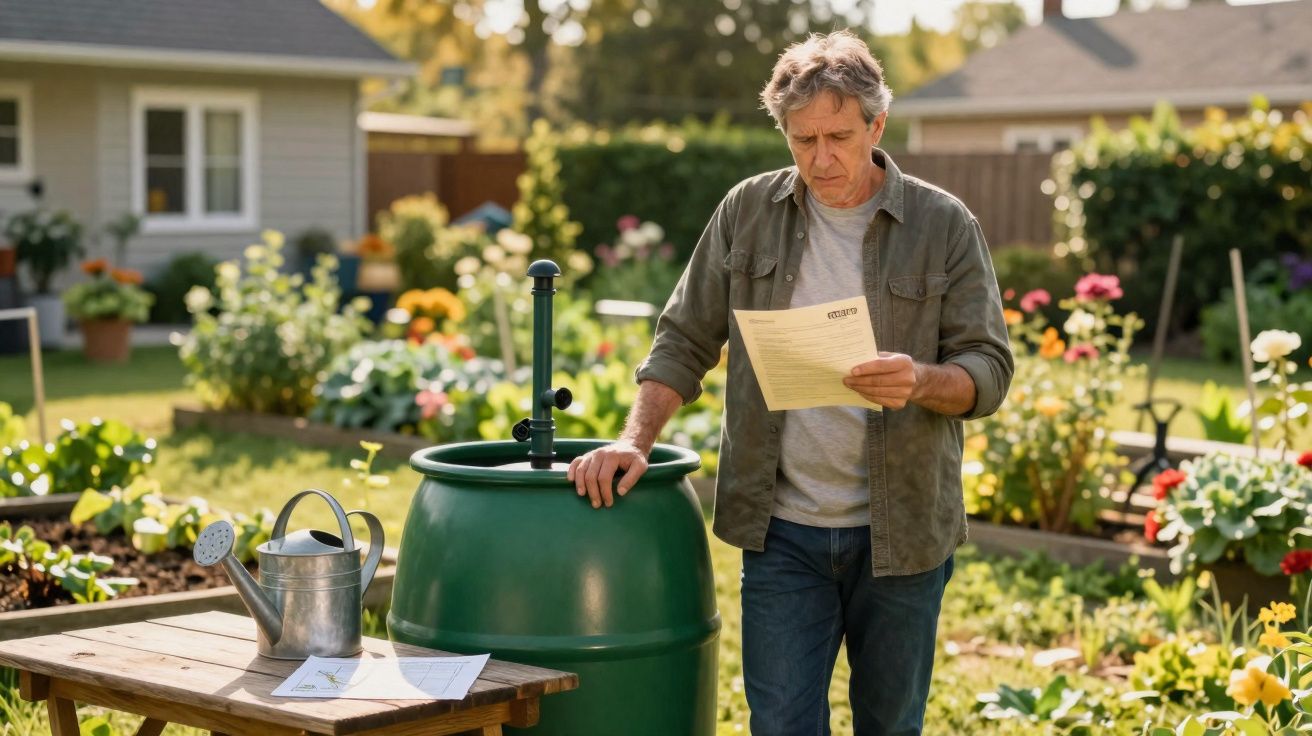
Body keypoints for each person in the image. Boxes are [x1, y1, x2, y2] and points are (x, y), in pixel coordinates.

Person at [567, 30, 1013, 736]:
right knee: (779, 725)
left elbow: (989, 370)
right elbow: (684, 337)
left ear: (878, 125)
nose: (821, 158)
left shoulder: (943, 225)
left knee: (891, 725)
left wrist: (922, 380)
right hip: (782, 534)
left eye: (838, 136)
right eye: (802, 140)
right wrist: (635, 439)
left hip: (903, 536)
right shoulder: (746, 212)